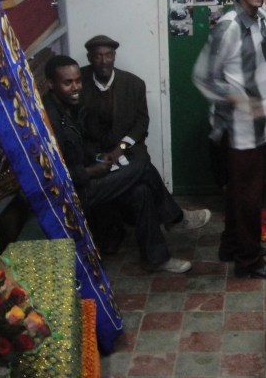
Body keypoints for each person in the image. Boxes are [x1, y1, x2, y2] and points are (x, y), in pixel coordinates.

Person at [44, 55, 193, 273]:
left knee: (141, 190)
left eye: (78, 81)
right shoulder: (50, 118)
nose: (76, 87)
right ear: (51, 84)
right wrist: (91, 171)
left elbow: (82, 143)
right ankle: (175, 218)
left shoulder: (69, 105)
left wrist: (100, 158)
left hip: (88, 176)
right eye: (68, 83)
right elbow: (54, 172)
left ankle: (157, 258)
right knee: (142, 167)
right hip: (76, 190)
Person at [193, 0, 266, 278]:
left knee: (241, 193)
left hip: (260, 126)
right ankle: (249, 261)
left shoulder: (265, 16)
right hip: (238, 129)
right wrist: (238, 100)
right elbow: (203, 76)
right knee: (249, 198)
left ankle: (230, 246)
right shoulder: (229, 26)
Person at [80, 33, 210, 233]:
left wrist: (121, 148)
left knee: (141, 172)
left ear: (115, 56)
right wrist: (96, 156)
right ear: (90, 58)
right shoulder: (78, 83)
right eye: (98, 56)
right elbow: (76, 130)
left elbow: (141, 123)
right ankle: (174, 219)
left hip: (127, 150)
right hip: (93, 156)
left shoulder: (134, 84)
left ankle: (165, 226)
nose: (104, 61)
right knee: (142, 180)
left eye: (109, 55)